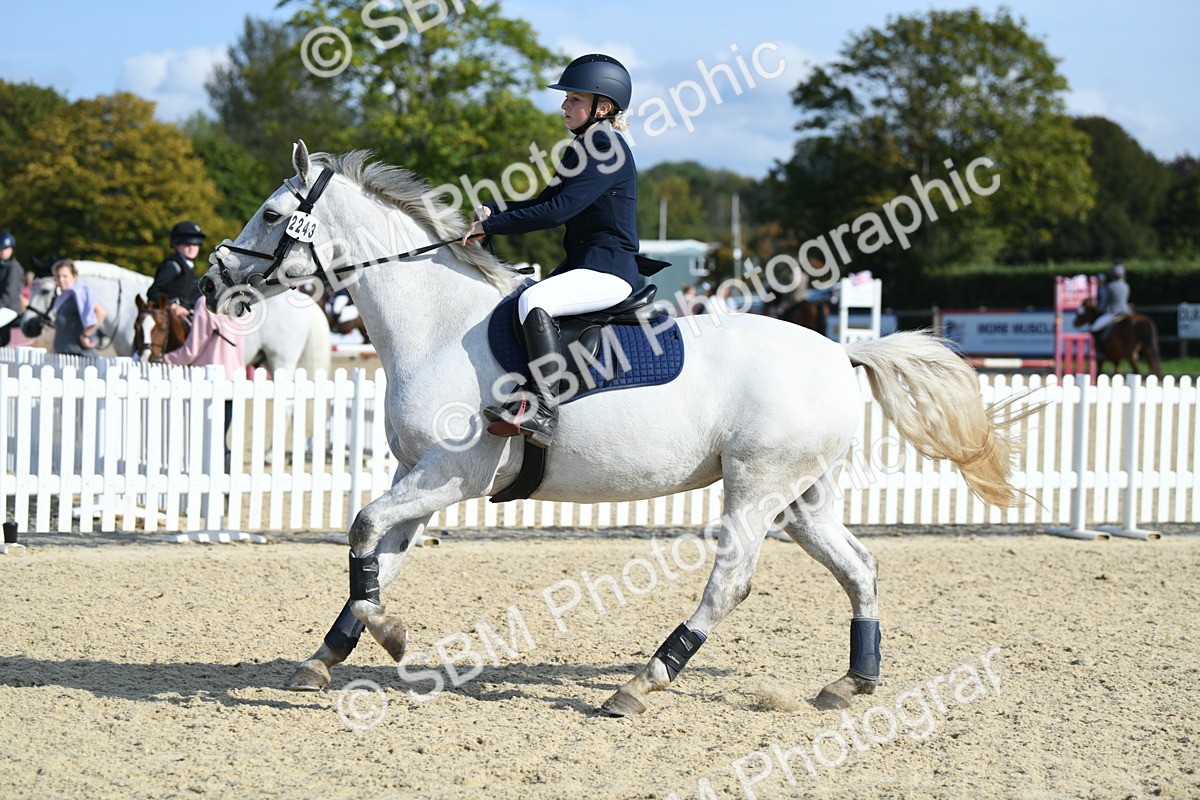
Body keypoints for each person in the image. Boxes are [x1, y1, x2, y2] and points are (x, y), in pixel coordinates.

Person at [462, 54, 640, 448]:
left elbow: (558, 212)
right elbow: (545, 199)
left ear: (602, 108)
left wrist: (492, 227)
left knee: (534, 300)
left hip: (609, 269)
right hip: (586, 265)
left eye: (575, 99)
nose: (564, 106)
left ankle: (542, 410)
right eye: (567, 98)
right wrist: (495, 211)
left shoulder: (603, 147)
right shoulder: (584, 146)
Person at [162, 296, 246, 459]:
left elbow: (193, 349)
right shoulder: (242, 300)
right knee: (220, 437)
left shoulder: (207, 302)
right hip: (233, 376)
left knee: (203, 439)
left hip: (208, 378)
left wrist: (167, 359)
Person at [148, 221, 206, 320]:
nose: (192, 248)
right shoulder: (173, 266)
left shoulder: (189, 265)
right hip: (168, 314)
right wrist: (172, 305)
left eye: (196, 244)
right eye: (187, 244)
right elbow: (153, 292)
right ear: (176, 245)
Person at [50, 260, 107, 355]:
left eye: (65, 276)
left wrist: (86, 335)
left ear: (74, 277)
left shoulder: (79, 294)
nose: (61, 280)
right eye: (58, 276)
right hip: (65, 355)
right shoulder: (64, 297)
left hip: (80, 355)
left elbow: (101, 312)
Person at [1089, 261, 1131, 339]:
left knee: (1094, 328)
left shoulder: (1110, 286)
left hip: (1114, 313)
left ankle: (1099, 346)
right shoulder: (1126, 286)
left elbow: (1104, 305)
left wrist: (1097, 308)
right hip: (1127, 312)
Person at [0, 231, 25, 346]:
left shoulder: (14, 267)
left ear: (12, 249)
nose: (3, 251)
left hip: (10, 308)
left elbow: (9, 294)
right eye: (1, 248)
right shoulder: (3, 266)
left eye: (6, 248)